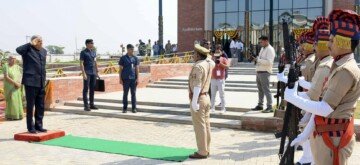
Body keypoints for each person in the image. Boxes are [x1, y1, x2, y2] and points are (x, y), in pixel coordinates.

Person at [285, 9, 360, 165]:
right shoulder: (338, 65)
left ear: (343, 42)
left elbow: (324, 108)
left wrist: (293, 98)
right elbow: (321, 105)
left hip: (334, 140)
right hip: (328, 136)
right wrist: (305, 134)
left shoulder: (345, 70)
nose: (328, 44)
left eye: (331, 40)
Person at [278, 16, 332, 165]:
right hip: (312, 103)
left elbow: (315, 91)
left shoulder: (318, 62)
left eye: (307, 43)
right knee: (306, 134)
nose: (303, 47)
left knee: (311, 136)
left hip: (315, 104)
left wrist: (296, 96)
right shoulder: (315, 60)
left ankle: (309, 158)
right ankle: (307, 158)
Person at [16, 35, 47, 134]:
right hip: (30, 82)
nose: (41, 42)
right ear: (34, 41)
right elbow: (18, 50)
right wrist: (30, 43)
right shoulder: (27, 49)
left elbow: (43, 67)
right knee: (30, 106)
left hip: (41, 82)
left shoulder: (44, 51)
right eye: (38, 40)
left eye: (41, 40)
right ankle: (31, 127)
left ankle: (39, 125)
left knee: (40, 106)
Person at [188, 44, 215, 159]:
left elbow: (197, 84)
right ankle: (206, 149)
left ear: (198, 55)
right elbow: (211, 60)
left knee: (199, 126)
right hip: (206, 97)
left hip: (199, 98)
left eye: (194, 53)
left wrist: (194, 101)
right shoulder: (209, 63)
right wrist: (207, 54)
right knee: (206, 124)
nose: (193, 55)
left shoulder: (198, 66)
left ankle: (202, 152)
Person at [251, 36, 275, 113]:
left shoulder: (270, 49)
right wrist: (256, 59)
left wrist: (258, 60)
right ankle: (260, 105)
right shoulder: (263, 48)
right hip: (259, 71)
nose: (260, 43)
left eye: (261, 42)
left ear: (266, 41)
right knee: (260, 90)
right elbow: (260, 59)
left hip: (265, 72)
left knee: (266, 90)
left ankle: (269, 106)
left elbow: (269, 62)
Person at [119, 44, 139, 113]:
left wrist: (138, 78)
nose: (133, 50)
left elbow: (137, 69)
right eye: (131, 49)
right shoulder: (123, 58)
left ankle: (134, 108)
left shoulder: (135, 58)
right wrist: (120, 79)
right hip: (125, 79)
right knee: (125, 94)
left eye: (133, 49)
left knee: (133, 94)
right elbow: (120, 69)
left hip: (133, 79)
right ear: (128, 49)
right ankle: (125, 108)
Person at [80, 39, 99, 112]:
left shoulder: (94, 52)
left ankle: (91, 104)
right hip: (87, 72)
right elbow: (81, 63)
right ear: (87, 44)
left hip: (93, 72)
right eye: (91, 43)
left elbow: (95, 62)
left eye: (93, 43)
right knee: (85, 89)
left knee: (92, 89)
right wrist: (83, 73)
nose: (93, 44)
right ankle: (86, 106)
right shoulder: (83, 52)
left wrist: (97, 71)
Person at [3, 55, 24, 120]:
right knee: (12, 100)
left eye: (14, 59)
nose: (13, 60)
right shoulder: (6, 66)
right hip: (9, 86)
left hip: (17, 86)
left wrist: (19, 83)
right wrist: (15, 83)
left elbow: (21, 75)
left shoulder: (17, 67)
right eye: (12, 59)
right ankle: (10, 116)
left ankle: (18, 115)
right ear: (9, 59)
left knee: (17, 100)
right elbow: (6, 77)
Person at [210, 50, 229, 114]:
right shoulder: (212, 59)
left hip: (220, 79)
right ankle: (212, 108)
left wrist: (220, 63)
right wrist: (213, 61)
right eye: (216, 52)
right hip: (213, 79)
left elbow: (227, 67)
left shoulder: (223, 59)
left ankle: (223, 109)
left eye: (219, 52)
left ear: (221, 53)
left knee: (222, 94)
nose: (217, 54)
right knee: (213, 95)